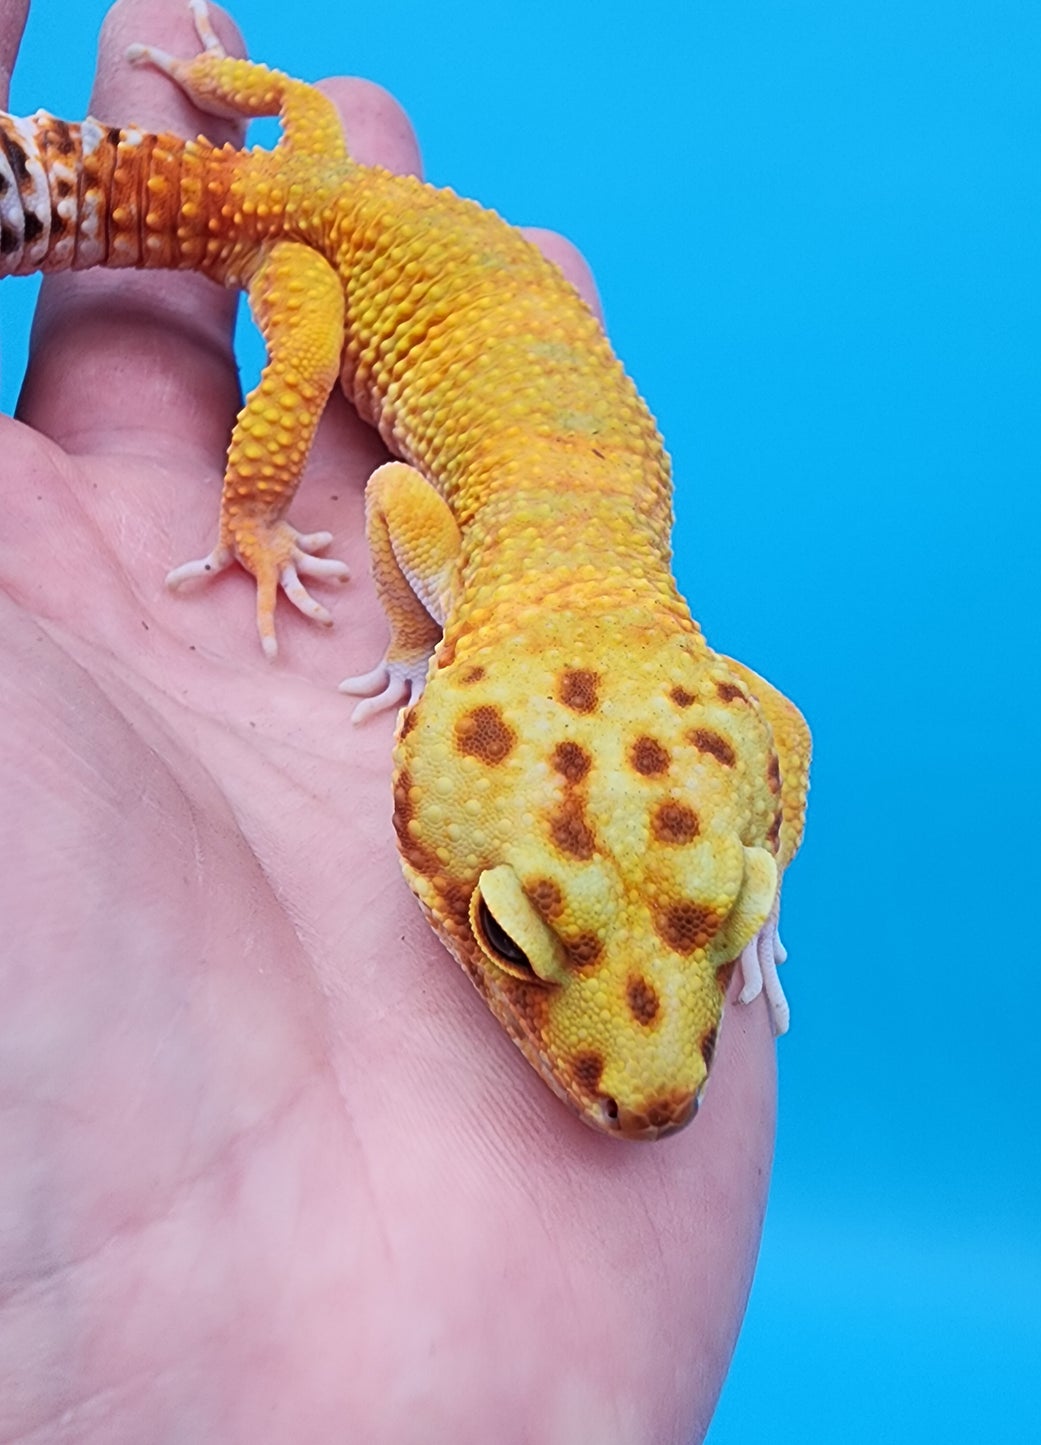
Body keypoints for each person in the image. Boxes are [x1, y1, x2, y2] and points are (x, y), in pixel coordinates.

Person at [0, 2, 777, 1438]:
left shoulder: (613, 631)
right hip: (309, 233)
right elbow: (403, 504)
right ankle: (243, 508)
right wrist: (275, 537)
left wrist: (750, 886)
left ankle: (227, 91)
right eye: (513, 936)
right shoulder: (472, 564)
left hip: (331, 185)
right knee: (296, 356)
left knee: (316, 118)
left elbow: (768, 736)